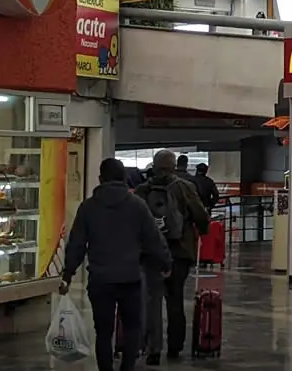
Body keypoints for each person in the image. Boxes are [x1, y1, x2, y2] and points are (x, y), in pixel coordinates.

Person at [60, 158, 171, 371]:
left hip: (100, 279)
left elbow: (77, 244)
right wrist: (165, 262)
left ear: (100, 179)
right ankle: (127, 368)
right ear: (123, 178)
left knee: (103, 331)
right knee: (132, 328)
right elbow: (153, 238)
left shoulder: (89, 207)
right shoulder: (137, 205)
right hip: (130, 277)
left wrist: (68, 273)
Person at [135, 150, 210, 364]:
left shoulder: (142, 190)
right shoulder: (185, 188)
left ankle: (153, 350)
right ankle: (175, 347)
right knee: (175, 299)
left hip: (150, 253)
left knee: (152, 300)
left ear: (155, 166)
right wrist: (201, 230)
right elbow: (200, 216)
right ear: (175, 165)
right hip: (179, 251)